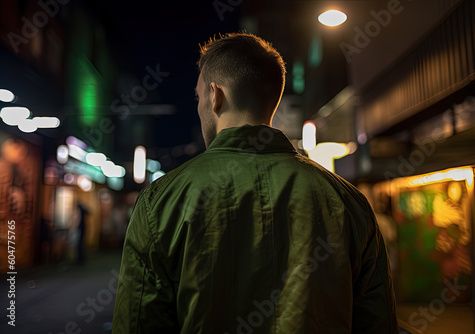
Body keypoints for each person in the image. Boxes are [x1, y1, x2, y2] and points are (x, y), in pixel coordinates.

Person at [112, 32, 399, 333]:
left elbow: (137, 324)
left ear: (215, 95)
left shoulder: (160, 202)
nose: (199, 107)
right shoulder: (348, 202)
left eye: (198, 98)